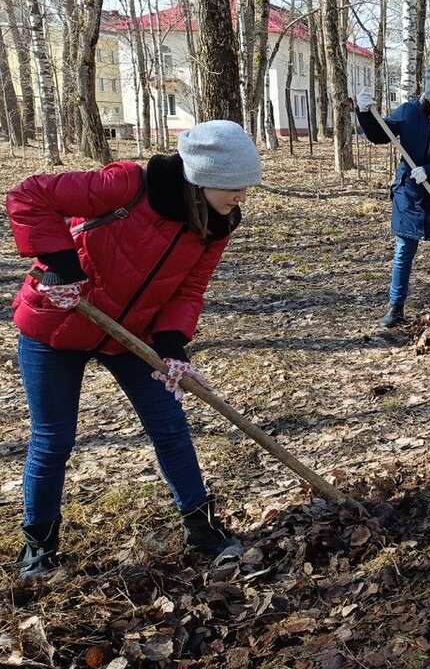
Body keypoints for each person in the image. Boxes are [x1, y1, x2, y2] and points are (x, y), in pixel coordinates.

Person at [6, 120, 262, 579]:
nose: (241, 195)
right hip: (57, 322)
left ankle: (201, 528)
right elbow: (30, 196)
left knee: (170, 426)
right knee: (53, 438)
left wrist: (172, 347)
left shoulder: (216, 225)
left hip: (131, 336)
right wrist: (61, 264)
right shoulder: (126, 185)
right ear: (201, 176)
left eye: (246, 186)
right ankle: (39, 546)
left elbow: (189, 289)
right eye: (233, 185)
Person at [357, 63, 430, 328]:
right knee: (403, 252)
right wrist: (365, 113)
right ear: (429, 96)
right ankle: (395, 308)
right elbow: (380, 134)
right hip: (409, 195)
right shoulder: (409, 113)